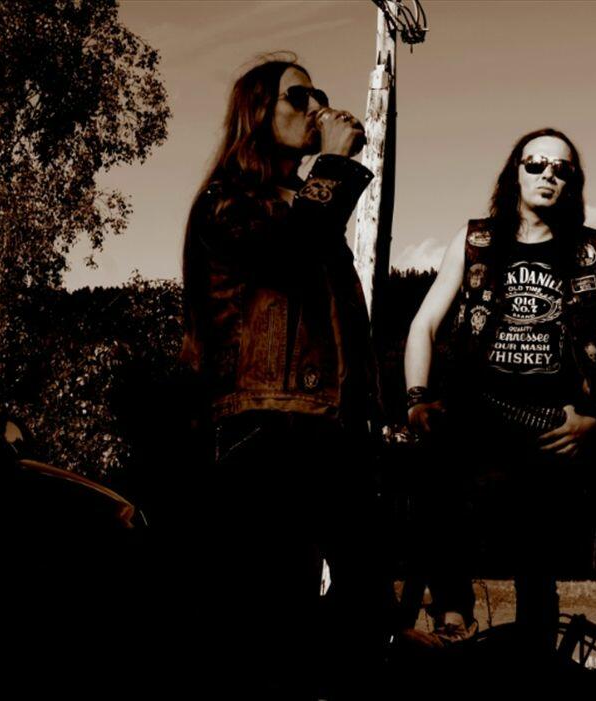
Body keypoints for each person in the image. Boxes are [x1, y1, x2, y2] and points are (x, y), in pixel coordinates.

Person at [179, 57, 394, 698]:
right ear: (257, 113)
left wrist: (372, 412)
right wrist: (335, 166)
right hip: (265, 430)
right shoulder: (227, 204)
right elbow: (286, 255)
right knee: (272, 613)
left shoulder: (305, 208)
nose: (316, 107)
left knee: (365, 603)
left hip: (332, 428)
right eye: (298, 97)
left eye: (318, 94)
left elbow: (345, 326)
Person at [403, 128, 596, 652]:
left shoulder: (588, 251)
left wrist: (595, 415)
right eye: (536, 163)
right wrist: (416, 398)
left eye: (562, 168)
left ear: (573, 182)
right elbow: (424, 323)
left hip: (550, 423)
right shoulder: (475, 240)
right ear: (515, 173)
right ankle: (453, 620)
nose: (549, 174)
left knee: (536, 553)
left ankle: (534, 659)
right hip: (475, 408)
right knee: (438, 498)